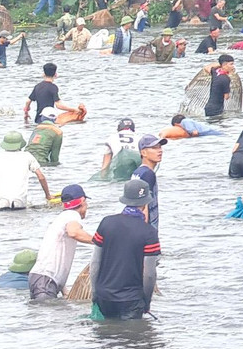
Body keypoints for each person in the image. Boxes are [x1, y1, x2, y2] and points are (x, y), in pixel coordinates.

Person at [89, 179, 159, 320]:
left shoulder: (106, 223)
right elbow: (149, 275)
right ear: (145, 203)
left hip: (104, 296)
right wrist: (146, 301)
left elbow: (95, 263)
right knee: (131, 339)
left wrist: (95, 292)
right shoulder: (149, 233)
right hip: (131, 300)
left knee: (107, 338)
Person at [27, 184, 92, 300]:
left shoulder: (62, 218)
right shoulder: (73, 215)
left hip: (42, 279)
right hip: (45, 281)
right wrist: (100, 241)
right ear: (83, 201)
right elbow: (74, 232)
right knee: (45, 315)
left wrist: (63, 290)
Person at [0, 131, 49, 212]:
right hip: (19, 201)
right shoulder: (27, 156)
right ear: (21, 144)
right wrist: (48, 195)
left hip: (0, 202)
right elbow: (41, 176)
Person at [131, 134, 166, 230]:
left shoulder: (137, 172)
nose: (160, 151)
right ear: (143, 153)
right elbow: (143, 205)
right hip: (147, 227)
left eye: (160, 147)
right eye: (154, 148)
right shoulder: (148, 174)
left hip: (134, 223)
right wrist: (145, 232)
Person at [203, 54, 235, 119]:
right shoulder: (226, 79)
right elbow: (226, 97)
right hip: (216, 109)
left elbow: (206, 68)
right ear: (224, 65)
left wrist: (220, 64)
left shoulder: (215, 72)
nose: (233, 66)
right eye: (231, 64)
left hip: (208, 107)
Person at [161, 114, 226, 139]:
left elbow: (195, 133)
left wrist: (189, 138)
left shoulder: (185, 122)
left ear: (176, 124)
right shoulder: (187, 121)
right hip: (208, 132)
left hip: (207, 133)